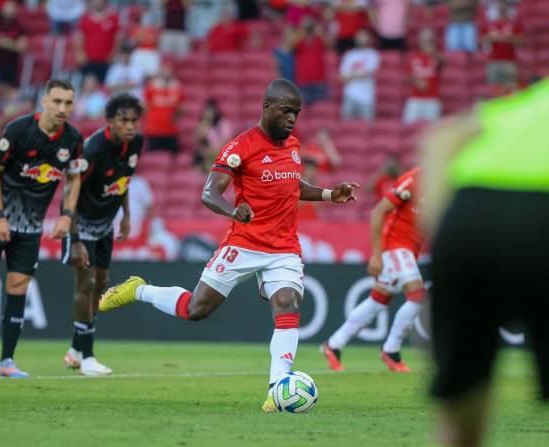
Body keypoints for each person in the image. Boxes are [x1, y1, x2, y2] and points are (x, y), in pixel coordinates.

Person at [98, 79, 359, 410]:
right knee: (196, 309)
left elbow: (292, 184)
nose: (292, 119)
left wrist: (329, 194)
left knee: (288, 303)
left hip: (283, 248)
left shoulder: (293, 145)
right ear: (267, 108)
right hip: (244, 243)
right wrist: (233, 211)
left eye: (296, 113)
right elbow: (209, 192)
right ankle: (139, 290)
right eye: (286, 111)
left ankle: (277, 389)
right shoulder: (241, 147)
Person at [421, 78, 549, 447]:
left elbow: (440, 139)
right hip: (541, 217)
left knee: (461, 419)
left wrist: (443, 238)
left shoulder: (518, 106)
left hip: (468, 218)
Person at [0, 79, 83, 378]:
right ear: (44, 102)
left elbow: (74, 178)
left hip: (30, 226)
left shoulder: (73, 140)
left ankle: (6, 362)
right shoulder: (19, 130)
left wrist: (66, 216)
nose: (63, 108)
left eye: (68, 103)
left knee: (18, 287)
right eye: (57, 101)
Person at [61, 93, 144, 376]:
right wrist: (74, 239)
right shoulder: (93, 150)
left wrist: (126, 215)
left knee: (102, 283)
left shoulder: (136, 143)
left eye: (134, 120)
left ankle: (75, 348)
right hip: (81, 223)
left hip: (106, 224)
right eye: (123, 120)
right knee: (85, 284)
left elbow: (123, 181)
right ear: (109, 121)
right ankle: (87, 358)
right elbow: (70, 190)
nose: (130, 126)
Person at [322, 166, 426, 373]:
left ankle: (334, 344)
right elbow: (378, 211)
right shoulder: (414, 179)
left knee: (378, 300)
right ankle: (391, 350)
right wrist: (377, 255)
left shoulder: (444, 185)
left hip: (409, 250)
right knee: (417, 297)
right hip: (396, 247)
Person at [403, 28, 443, 124]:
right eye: (424, 38)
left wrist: (434, 53)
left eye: (429, 38)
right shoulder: (413, 56)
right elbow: (406, 78)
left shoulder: (436, 56)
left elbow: (443, 62)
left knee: (433, 128)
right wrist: (416, 82)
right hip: (416, 98)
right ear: (419, 40)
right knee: (407, 125)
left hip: (432, 99)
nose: (426, 41)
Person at [480, 0, 523, 86]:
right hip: (494, 61)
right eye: (500, 7)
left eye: (504, 7)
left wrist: (506, 38)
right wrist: (492, 38)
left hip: (509, 61)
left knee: (510, 87)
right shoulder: (491, 24)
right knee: (494, 88)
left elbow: (522, 40)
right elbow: (480, 40)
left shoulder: (513, 23)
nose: (502, 9)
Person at [143, 65, 184, 154]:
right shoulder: (151, 87)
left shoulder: (178, 88)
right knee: (152, 156)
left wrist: (176, 115)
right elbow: (145, 106)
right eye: (164, 72)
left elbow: (182, 107)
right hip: (154, 130)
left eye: (168, 72)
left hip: (171, 130)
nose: (166, 74)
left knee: (173, 156)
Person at [339, 30, 380, 120]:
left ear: (369, 39)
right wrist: (358, 73)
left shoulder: (373, 54)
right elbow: (342, 77)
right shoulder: (349, 55)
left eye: (364, 37)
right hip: (349, 96)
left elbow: (366, 73)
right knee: (346, 125)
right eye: (359, 37)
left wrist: (351, 74)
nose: (361, 39)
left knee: (368, 126)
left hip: (367, 98)